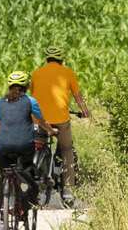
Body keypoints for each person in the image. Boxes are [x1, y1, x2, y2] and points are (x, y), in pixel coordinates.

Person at [0, 70, 50, 214]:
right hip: (24, 145)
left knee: (4, 177)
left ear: (9, 86)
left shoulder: (0, 101)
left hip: (3, 146)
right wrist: (51, 130)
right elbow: (40, 121)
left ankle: (2, 215)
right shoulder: (30, 101)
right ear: (26, 86)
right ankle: (26, 201)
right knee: (27, 170)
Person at [30, 45, 89, 190]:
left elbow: (33, 93)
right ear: (61, 59)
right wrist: (85, 112)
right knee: (67, 149)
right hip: (60, 119)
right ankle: (68, 190)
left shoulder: (36, 73)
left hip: (38, 120)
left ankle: (32, 181)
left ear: (47, 59)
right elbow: (78, 96)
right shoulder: (68, 73)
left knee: (35, 145)